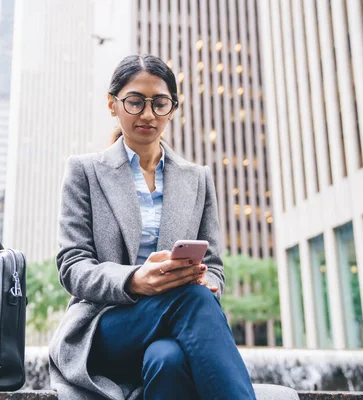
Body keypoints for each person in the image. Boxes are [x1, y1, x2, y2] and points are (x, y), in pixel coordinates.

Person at [49, 54, 256, 400]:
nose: (148, 114)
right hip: (106, 326)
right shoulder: (85, 171)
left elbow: (216, 266)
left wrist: (209, 280)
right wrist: (135, 280)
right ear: (113, 104)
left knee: (168, 360)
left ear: (172, 109)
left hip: (172, 330)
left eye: (160, 104)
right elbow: (72, 267)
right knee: (191, 299)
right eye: (135, 102)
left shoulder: (198, 179)